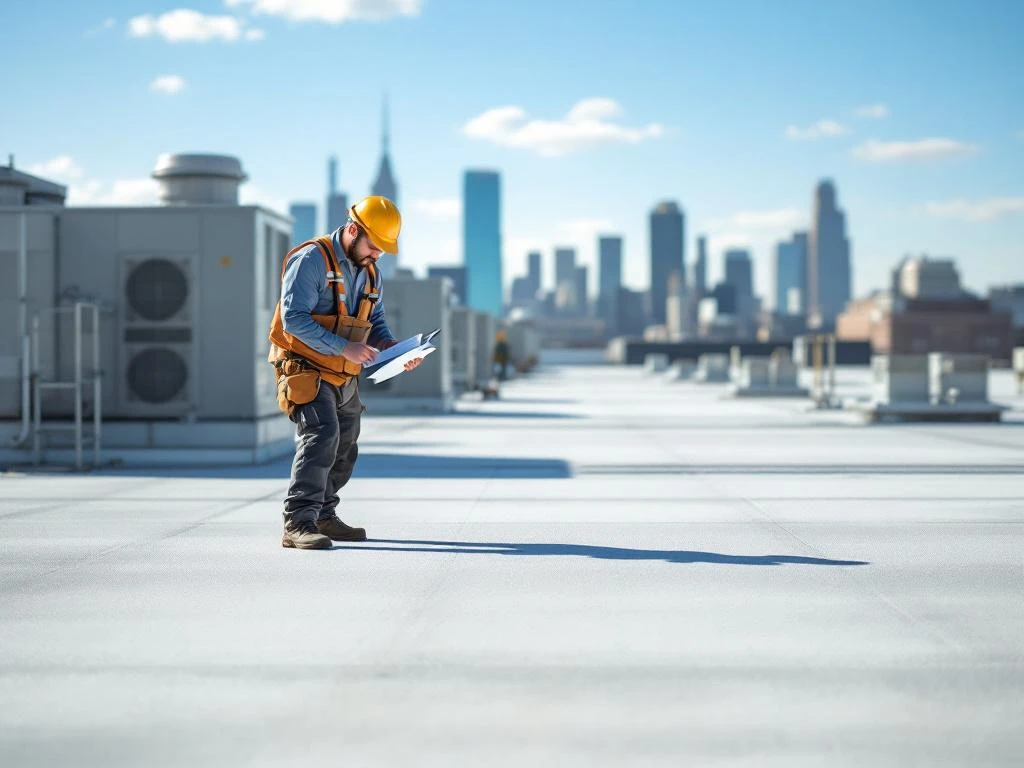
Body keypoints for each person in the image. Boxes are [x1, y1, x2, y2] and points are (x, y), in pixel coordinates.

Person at [268, 196, 422, 550]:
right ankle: (298, 522)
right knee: (322, 434)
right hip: (305, 366)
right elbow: (293, 319)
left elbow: (375, 320)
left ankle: (323, 514)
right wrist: (344, 347)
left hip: (342, 372)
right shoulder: (311, 259)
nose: (377, 254)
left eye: (383, 249)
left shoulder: (371, 272)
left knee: (346, 443)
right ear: (353, 230)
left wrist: (393, 348)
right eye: (373, 245)